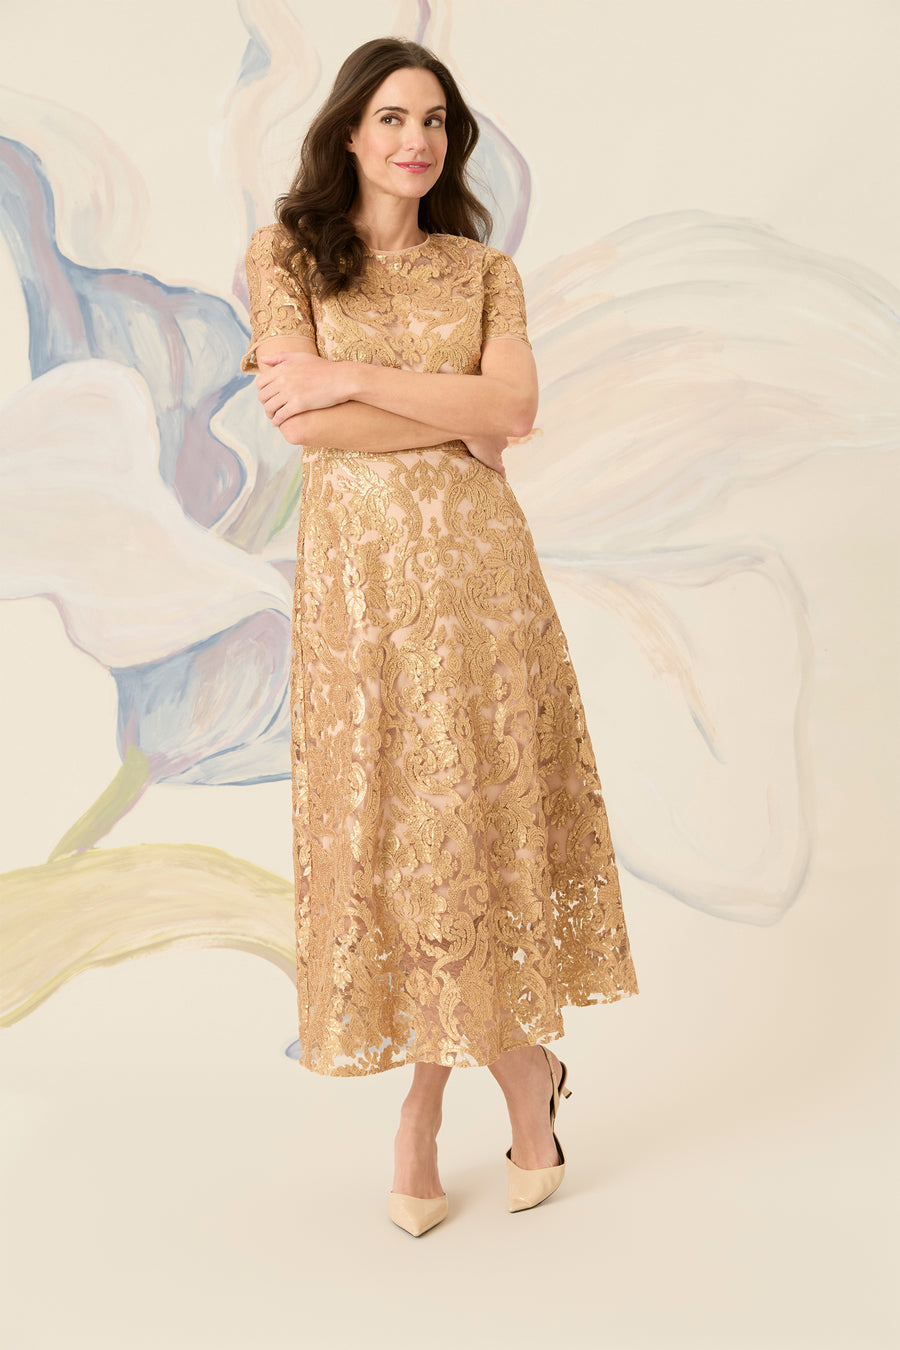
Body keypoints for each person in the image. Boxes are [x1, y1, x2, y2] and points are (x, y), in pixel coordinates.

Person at [240, 36, 639, 1237]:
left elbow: (512, 407)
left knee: (474, 828)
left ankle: (430, 1110)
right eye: (392, 117)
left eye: (435, 121)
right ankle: (519, 1079)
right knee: (407, 835)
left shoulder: (484, 271)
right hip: (359, 599)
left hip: (480, 583)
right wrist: (441, 413)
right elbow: (307, 429)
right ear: (349, 132)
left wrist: (351, 378)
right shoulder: (284, 255)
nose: (416, 140)